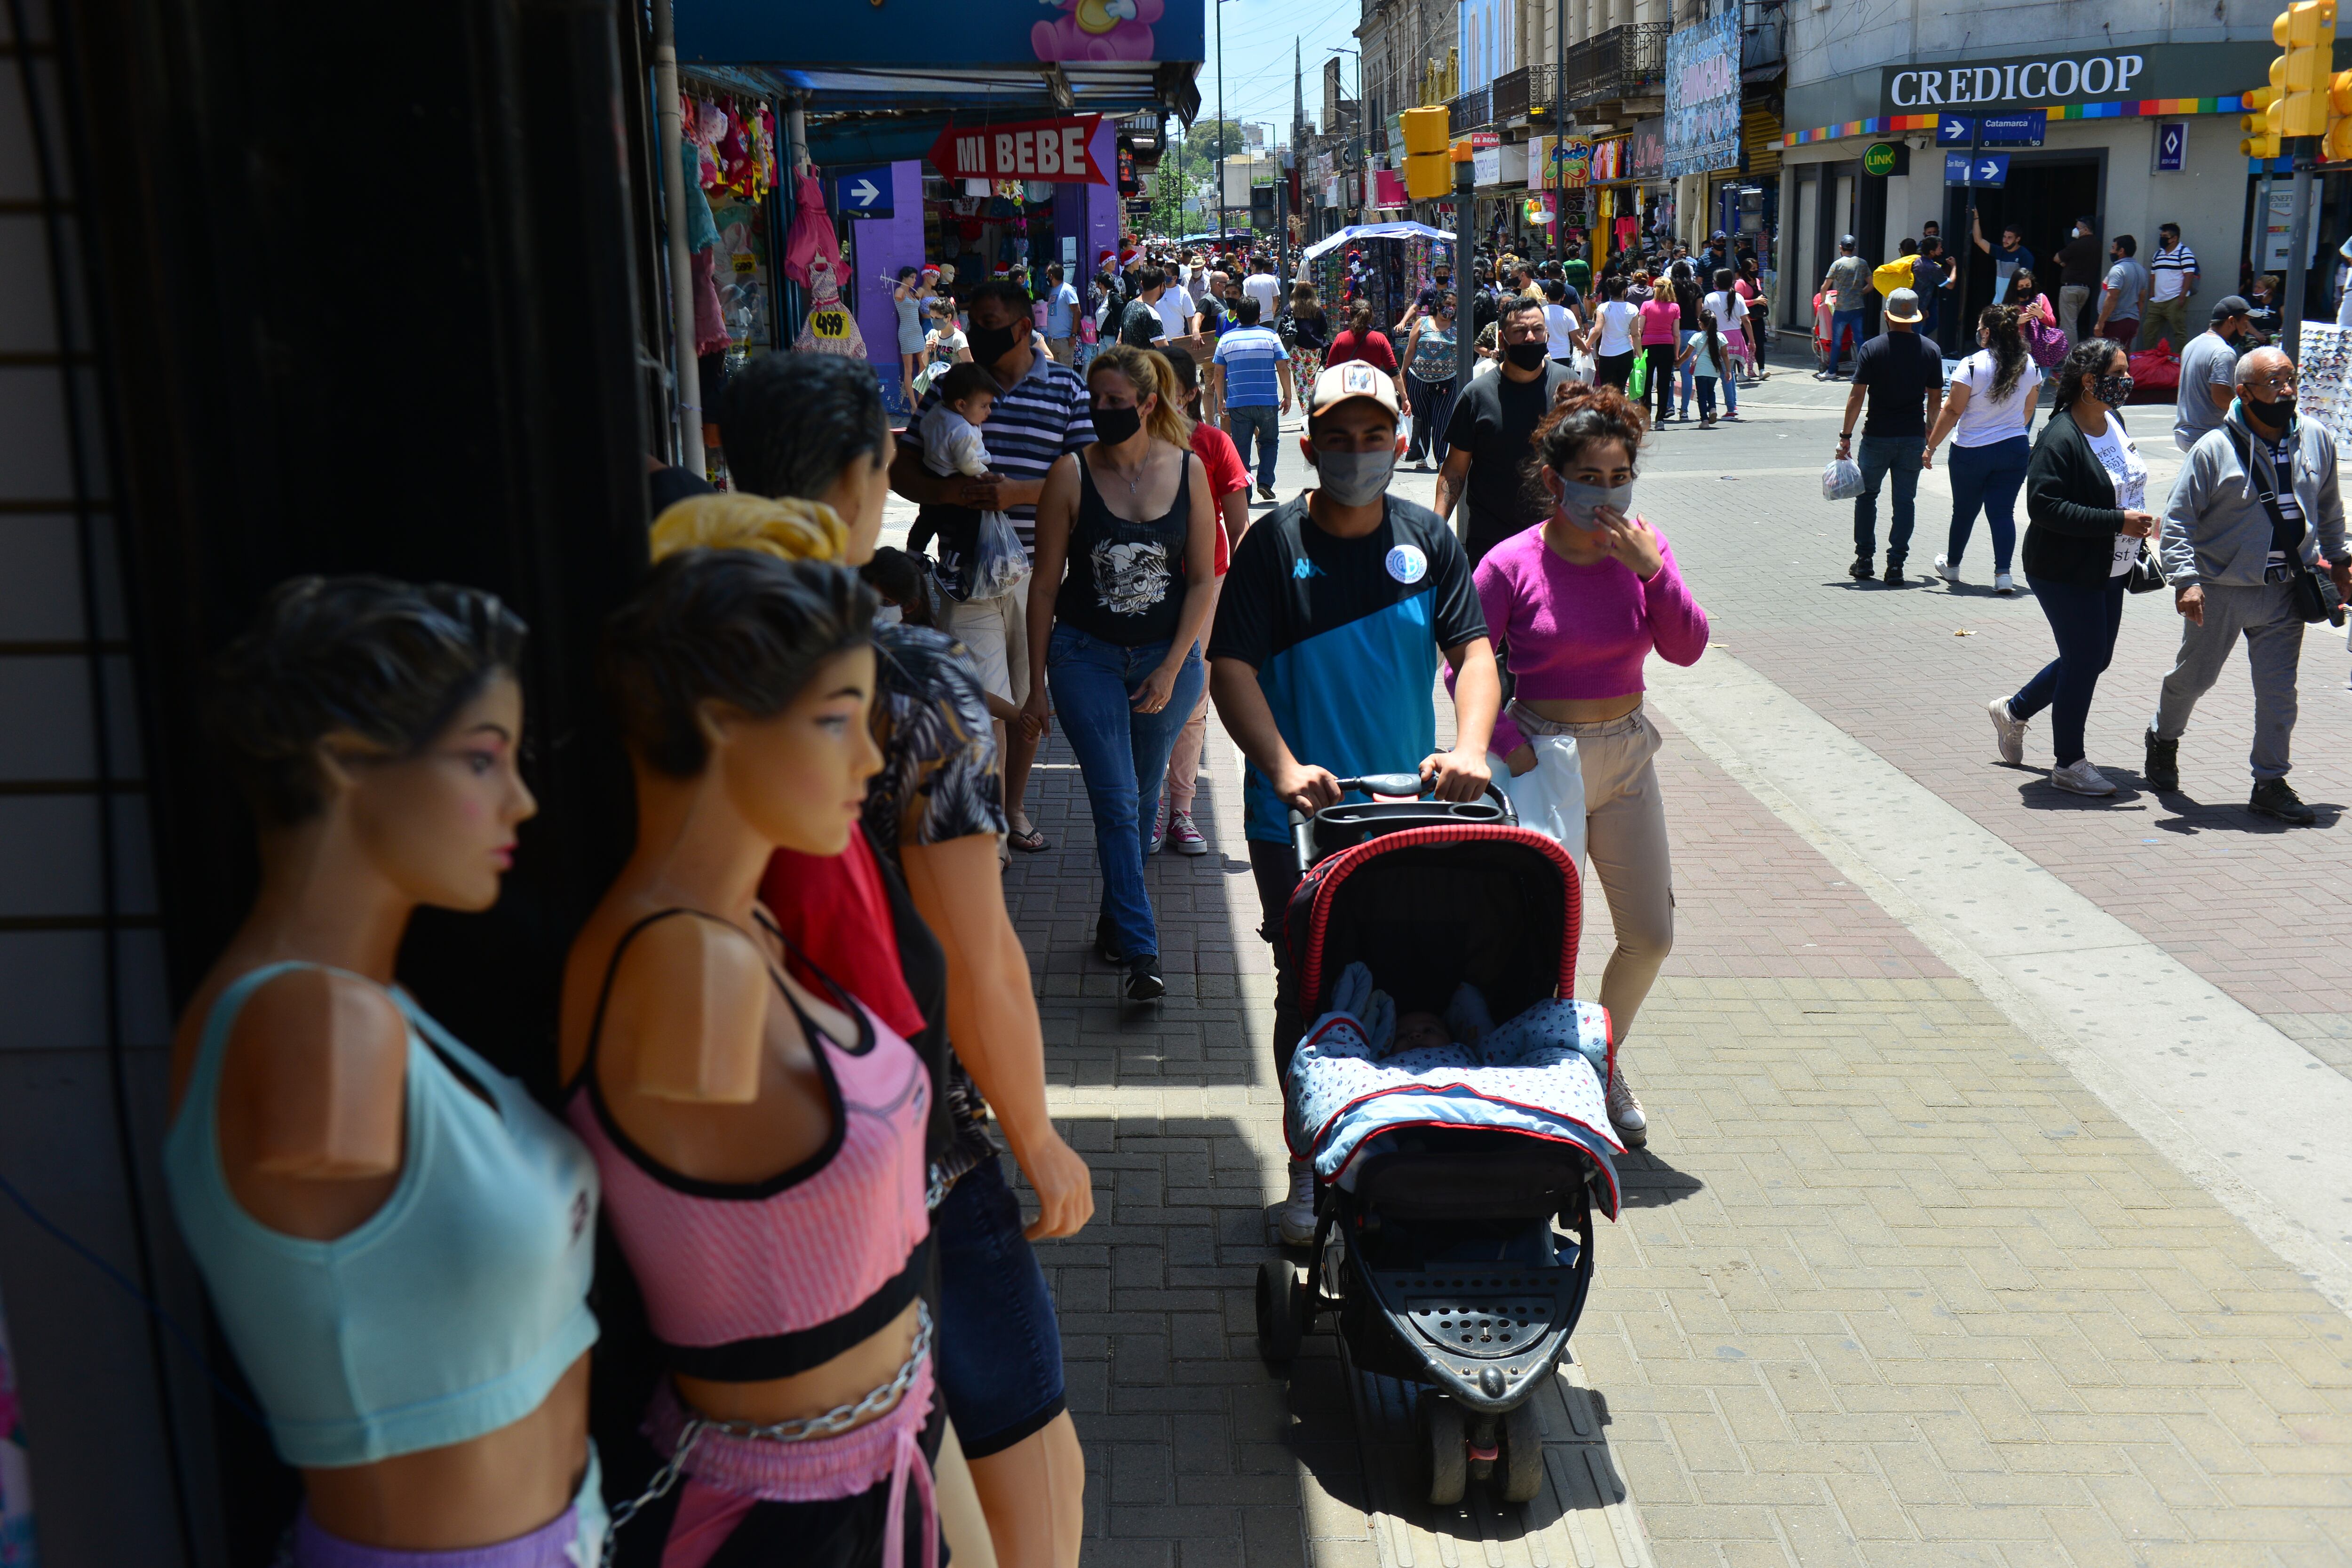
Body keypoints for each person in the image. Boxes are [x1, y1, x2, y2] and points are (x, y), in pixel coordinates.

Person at [171, 578, 606, 1568]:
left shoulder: (363, 1009)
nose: (522, 799)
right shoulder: (318, 1030)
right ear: (346, 763)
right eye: (482, 760)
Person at [1207, 359, 1500, 1245]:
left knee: (1411, 980)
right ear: (1308, 446)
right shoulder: (1273, 547)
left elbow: (1475, 652)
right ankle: (1305, 1164)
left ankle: (1404, 1145)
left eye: (1375, 437)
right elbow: (1231, 670)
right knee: (1308, 989)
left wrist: (1473, 746)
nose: (1358, 453)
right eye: (1339, 438)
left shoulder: (1427, 538)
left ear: (1401, 442)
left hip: (1410, 808)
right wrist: (1283, 765)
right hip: (1295, 820)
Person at [1468, 383, 1713, 1146]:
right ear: (1554, 480)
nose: (1608, 493)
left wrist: (1653, 571)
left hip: (1628, 753)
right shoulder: (1512, 562)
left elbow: (1687, 646)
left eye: (1620, 476)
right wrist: (1506, 744)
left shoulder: (1645, 548)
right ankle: (1544, 1081)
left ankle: (1600, 1061)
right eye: (1592, 478)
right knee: (1547, 941)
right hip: (1544, 754)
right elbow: (1464, 659)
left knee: (1651, 933)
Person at [1023, 346, 1219, 1001]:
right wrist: (1033, 685)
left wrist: (1171, 667)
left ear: (1147, 404)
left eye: (1114, 401)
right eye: (1095, 400)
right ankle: (1141, 951)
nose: (1101, 411)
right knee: (1114, 797)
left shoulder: (1190, 470)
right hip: (1085, 656)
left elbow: (1202, 580)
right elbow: (1045, 588)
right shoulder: (1069, 475)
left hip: (1167, 660)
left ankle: (1114, 922)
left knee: (1139, 801)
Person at [895, 278, 1095, 856]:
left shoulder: (1065, 389)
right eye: (972, 321)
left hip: (1037, 575)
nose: (976, 333)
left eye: (987, 321)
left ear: (1022, 328)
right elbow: (899, 472)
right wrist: (957, 495)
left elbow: (1086, 481)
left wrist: (1019, 494)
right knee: (982, 695)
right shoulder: (947, 389)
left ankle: (1012, 808)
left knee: (1029, 695)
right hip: (966, 577)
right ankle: (985, 827)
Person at [2144, 345, 2352, 823]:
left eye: (2290, 380)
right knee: (2193, 679)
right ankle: (2162, 736)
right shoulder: (2213, 449)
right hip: (2219, 589)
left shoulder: (2316, 439)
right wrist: (2185, 581)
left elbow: (2328, 507)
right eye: (2274, 383)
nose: (2286, 391)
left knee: (2279, 692)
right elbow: (2176, 522)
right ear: (2243, 392)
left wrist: (2340, 559)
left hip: (2285, 591)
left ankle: (2269, 781)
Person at [1984, 338, 2156, 796]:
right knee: (2083, 658)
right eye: (2118, 374)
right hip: (2062, 568)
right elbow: (2043, 507)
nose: (2127, 381)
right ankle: (2068, 763)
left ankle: (2014, 710)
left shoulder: (2113, 421)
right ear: (2088, 382)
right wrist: (2118, 520)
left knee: (2093, 657)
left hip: (2110, 563)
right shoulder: (2059, 437)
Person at [1153, 348, 1251, 858]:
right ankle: (1148, 809)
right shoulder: (1126, 444)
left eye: (1166, 383)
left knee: (1192, 702)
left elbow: (1238, 527)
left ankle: (1180, 811)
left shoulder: (1213, 443)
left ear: (1191, 393)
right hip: (1141, 589)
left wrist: (1238, 596)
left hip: (1207, 586)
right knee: (1142, 696)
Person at [1437, 297, 1579, 564]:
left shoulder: (1569, 387)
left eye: (1538, 330)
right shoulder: (1477, 396)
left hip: (1557, 539)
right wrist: (1436, 526)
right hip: (1491, 542)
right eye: (1520, 332)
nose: (1530, 338)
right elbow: (1455, 469)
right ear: (1502, 339)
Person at [1925, 303, 2040, 594]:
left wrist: (1931, 447)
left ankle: (1952, 566)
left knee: (1964, 511)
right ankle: (2004, 575)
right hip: (2015, 448)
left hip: (1971, 450)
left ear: (1988, 332)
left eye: (1980, 328)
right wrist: (2008, 426)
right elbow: (2029, 409)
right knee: (2002, 513)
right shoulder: (2029, 364)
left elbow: (1952, 410)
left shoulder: (1972, 364)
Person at [1836, 287, 1943, 584]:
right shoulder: (1931, 351)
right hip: (1912, 437)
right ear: (1915, 317)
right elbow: (1935, 401)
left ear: (1887, 315)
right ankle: (1896, 565)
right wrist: (1930, 438)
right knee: (1905, 502)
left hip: (1877, 437)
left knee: (1867, 497)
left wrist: (1845, 435)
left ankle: (1864, 560)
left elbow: (1857, 395)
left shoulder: (1872, 348)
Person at [1210, 294, 1294, 501]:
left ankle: (1245, 492)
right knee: (1269, 442)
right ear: (1259, 315)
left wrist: (1221, 399)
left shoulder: (1226, 340)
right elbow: (1283, 366)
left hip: (1239, 403)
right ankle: (1265, 482)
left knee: (1241, 448)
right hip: (1267, 401)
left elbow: (1218, 373)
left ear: (1237, 315)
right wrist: (1288, 395)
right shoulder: (1271, 336)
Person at [2174, 296, 2255, 453]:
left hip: (2185, 433)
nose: (2246, 330)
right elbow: (2221, 398)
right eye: (2245, 323)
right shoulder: (2224, 352)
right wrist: (2251, 408)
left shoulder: (2192, 344)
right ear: (2231, 322)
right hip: (2207, 436)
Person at [1401, 292, 1462, 472]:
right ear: (1438, 305)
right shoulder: (1423, 323)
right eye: (1447, 303)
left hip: (1447, 382)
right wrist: (1403, 374)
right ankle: (1420, 455)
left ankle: (1442, 459)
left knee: (1442, 421)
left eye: (1454, 305)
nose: (1450, 308)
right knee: (1422, 420)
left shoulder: (1458, 328)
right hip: (1418, 380)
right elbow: (1411, 350)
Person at [1818, 235, 1871, 377]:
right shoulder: (1862, 263)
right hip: (1858, 307)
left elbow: (1825, 287)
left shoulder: (1837, 264)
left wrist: (1823, 301)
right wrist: (1861, 293)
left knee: (1837, 340)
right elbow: (1872, 284)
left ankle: (1832, 371)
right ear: (1854, 249)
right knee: (1859, 339)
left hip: (1842, 308)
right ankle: (1862, 371)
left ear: (1840, 247)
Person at [2142, 223, 2198, 351]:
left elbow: (2189, 275)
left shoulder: (2185, 253)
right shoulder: (2158, 255)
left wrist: (2182, 297)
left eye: (2165, 236)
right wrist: (2152, 296)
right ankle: (2149, 356)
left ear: (2175, 238)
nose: (2162, 238)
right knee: (2148, 330)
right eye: (2161, 236)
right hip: (2157, 301)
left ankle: (2180, 360)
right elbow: (2153, 277)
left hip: (2175, 299)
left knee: (2179, 332)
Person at [1674, 299, 1730, 428]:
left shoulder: (1697, 337)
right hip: (1714, 370)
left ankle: (1704, 420)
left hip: (1700, 370)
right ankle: (1713, 409)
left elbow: (1687, 354)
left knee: (1702, 395)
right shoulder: (1721, 337)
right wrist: (1727, 371)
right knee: (1711, 391)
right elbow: (1725, 355)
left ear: (1701, 324)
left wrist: (1678, 363)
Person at [1637, 277, 1682, 424]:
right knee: (1663, 383)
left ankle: (1647, 416)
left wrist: (1637, 349)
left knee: (1646, 383)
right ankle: (1660, 418)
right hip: (1667, 346)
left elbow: (1639, 329)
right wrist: (1676, 354)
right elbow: (1676, 333)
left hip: (1648, 346)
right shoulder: (1675, 307)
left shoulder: (1646, 305)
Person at [2052, 216, 2103, 345]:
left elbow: (2057, 258)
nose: (2075, 230)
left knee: (2069, 325)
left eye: (2078, 228)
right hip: (2085, 290)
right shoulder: (2097, 244)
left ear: (2085, 230)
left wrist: (2065, 263)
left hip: (2070, 289)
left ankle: (2069, 357)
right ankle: (2061, 353)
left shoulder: (2077, 244)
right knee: (2069, 323)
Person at [2092, 233, 2148, 349]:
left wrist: (2101, 322)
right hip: (2132, 321)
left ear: (2121, 251)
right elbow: (2142, 300)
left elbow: (2112, 298)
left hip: (2116, 322)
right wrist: (2137, 321)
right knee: (2122, 356)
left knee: (2108, 358)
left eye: (2113, 248)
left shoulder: (2118, 270)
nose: (2111, 251)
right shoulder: (2142, 271)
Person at [1970, 210, 2036, 304]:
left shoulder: (2025, 256)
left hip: (2014, 305)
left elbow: (2026, 283)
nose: (2005, 240)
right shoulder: (1999, 251)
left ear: (2018, 239)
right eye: (2004, 237)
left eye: (2009, 238)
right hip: (1998, 302)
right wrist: (1976, 218)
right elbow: (1978, 240)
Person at [1588, 276, 1641, 390]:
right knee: (1620, 390)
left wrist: (1587, 345)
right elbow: (1636, 334)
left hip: (1607, 354)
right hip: (1626, 353)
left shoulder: (1603, 308)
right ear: (1624, 290)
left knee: (1606, 390)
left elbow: (1597, 331)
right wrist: (1640, 355)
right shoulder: (1633, 309)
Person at [1282, 279, 1332, 392]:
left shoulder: (1290, 308)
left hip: (1295, 349)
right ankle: (1309, 408)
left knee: (1300, 383)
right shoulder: (1317, 308)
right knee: (1310, 381)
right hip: (1314, 349)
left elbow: (1283, 328)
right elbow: (1324, 329)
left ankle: (1307, 409)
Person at [1324, 301, 1398, 375]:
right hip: (1372, 385)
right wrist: (1403, 387)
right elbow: (1393, 370)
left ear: (1351, 316)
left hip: (1346, 386)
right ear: (1371, 316)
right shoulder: (1380, 339)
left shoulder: (1341, 338)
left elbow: (1329, 370)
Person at [895, 264, 933, 408]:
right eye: (912, 277)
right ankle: (913, 404)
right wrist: (904, 289)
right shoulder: (900, 291)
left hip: (917, 332)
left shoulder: (912, 292)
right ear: (904, 277)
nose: (914, 280)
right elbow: (899, 297)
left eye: (915, 278)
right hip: (906, 332)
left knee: (923, 366)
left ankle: (922, 400)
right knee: (909, 369)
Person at [1117, 264, 1171, 348]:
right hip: (1145, 361)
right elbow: (1166, 352)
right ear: (1162, 286)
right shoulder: (1151, 315)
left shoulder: (1129, 306)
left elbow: (1119, 342)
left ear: (1142, 284)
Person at [1044, 261, 1081, 364]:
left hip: (1064, 341)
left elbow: (1077, 311)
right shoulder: (1053, 291)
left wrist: (1073, 335)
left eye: (1047, 275)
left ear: (1051, 276)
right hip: (1052, 341)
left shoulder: (1067, 290)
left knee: (1066, 375)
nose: (1046, 277)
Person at [1540, 278, 1581, 369]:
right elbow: (1576, 339)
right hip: (1563, 355)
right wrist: (1586, 350)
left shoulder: (1540, 313)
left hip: (1545, 355)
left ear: (1546, 296)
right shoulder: (1568, 313)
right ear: (1563, 297)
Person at [1243, 259, 1281, 324]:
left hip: (1253, 319)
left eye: (1250, 266)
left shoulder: (1247, 281)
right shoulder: (1271, 279)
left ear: (1254, 267)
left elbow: (1245, 299)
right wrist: (1272, 313)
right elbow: (1275, 299)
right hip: (1268, 318)